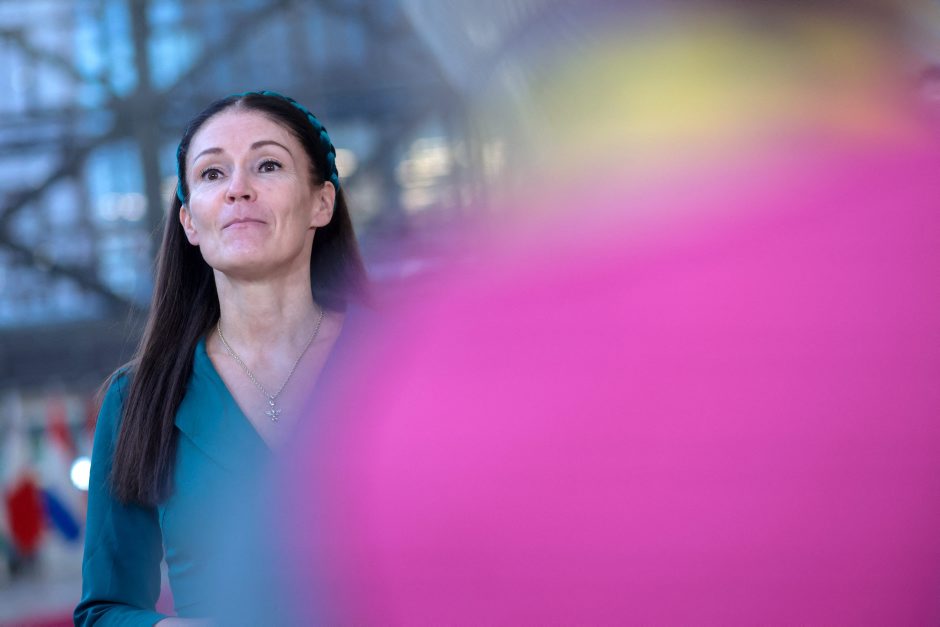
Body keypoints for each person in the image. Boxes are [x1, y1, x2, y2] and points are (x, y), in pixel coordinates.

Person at [74, 90, 368, 625]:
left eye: (268, 165)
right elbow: (105, 609)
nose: (238, 189)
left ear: (321, 202)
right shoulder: (138, 399)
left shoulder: (407, 363)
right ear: (189, 222)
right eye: (212, 174)